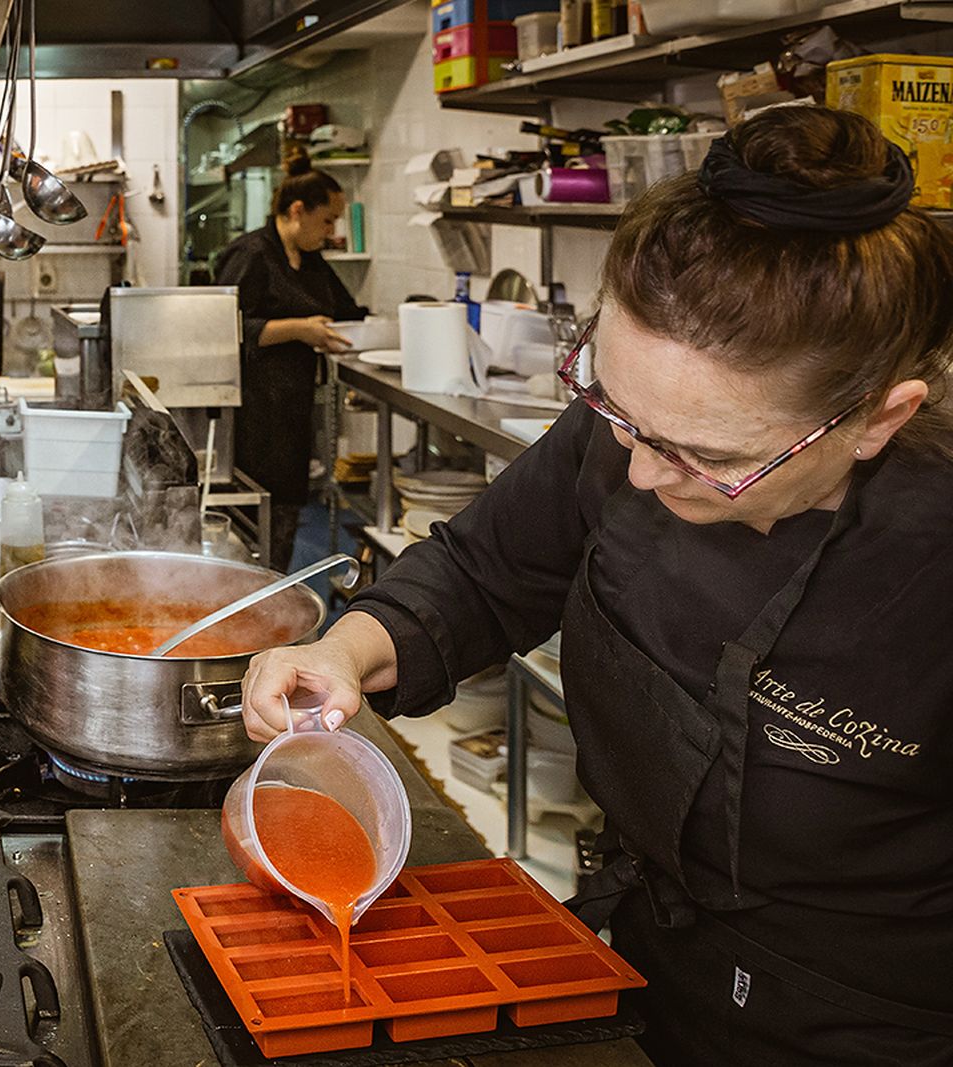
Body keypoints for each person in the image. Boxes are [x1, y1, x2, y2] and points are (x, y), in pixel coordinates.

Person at [241, 106, 953, 1064]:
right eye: (616, 409)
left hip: (859, 1023)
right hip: (638, 956)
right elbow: (485, 569)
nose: (646, 473)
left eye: (707, 457)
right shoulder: (637, 433)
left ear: (877, 416)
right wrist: (345, 648)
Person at [216, 155, 368, 571]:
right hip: (249, 410)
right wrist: (299, 329)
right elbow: (223, 327)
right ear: (298, 211)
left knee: (285, 516)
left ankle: (273, 595)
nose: (332, 231)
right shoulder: (250, 254)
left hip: (292, 407)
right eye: (327, 221)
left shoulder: (312, 261)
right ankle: (241, 603)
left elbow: (347, 312)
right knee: (250, 520)